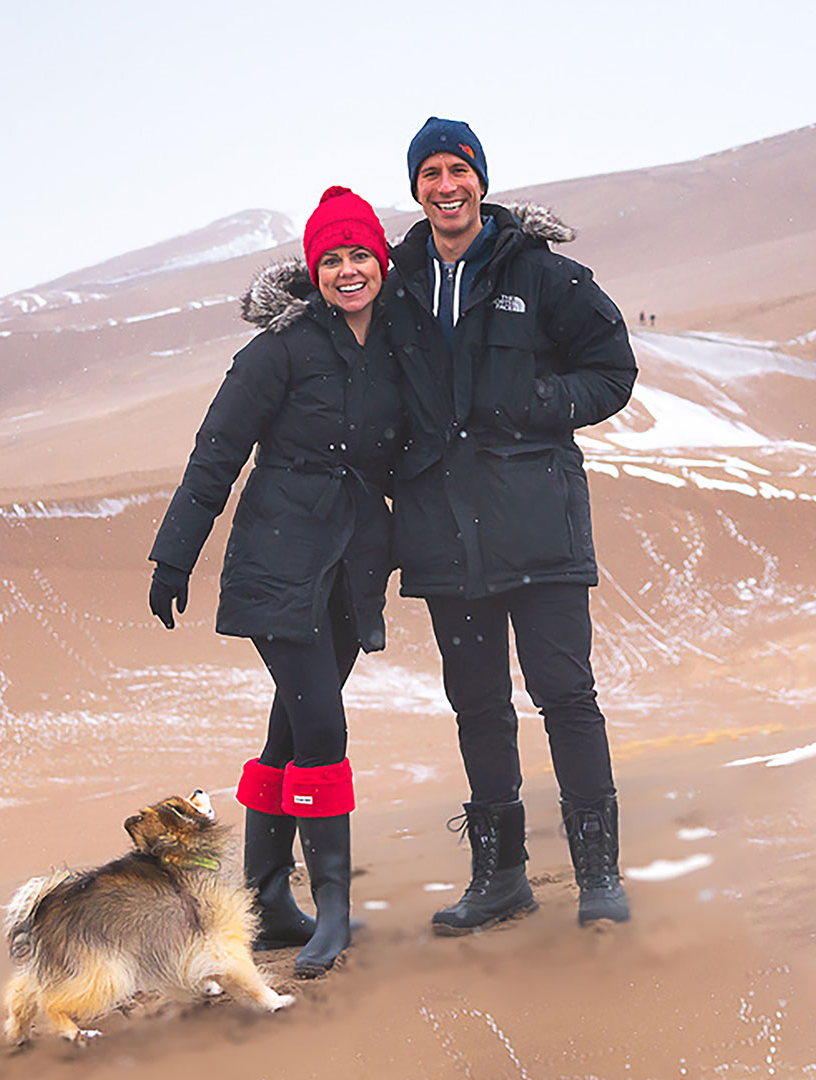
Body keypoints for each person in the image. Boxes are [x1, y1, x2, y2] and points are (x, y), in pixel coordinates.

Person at [381, 117, 637, 931]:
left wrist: (538, 406)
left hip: (540, 527)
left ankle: (598, 874)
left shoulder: (544, 275)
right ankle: (500, 878)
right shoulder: (393, 284)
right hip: (444, 536)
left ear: (481, 182)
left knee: (566, 695)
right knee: (478, 706)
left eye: (459, 170)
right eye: (431, 174)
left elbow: (613, 370)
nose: (445, 186)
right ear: (416, 188)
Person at [147, 186, 399, 977]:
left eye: (361, 255)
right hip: (278, 562)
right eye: (333, 258)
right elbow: (217, 450)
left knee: (291, 730)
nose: (348, 270)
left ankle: (260, 901)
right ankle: (330, 910)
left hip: (353, 565)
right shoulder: (277, 352)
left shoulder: (397, 346)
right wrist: (174, 556)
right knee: (322, 726)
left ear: (382, 263)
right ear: (313, 270)